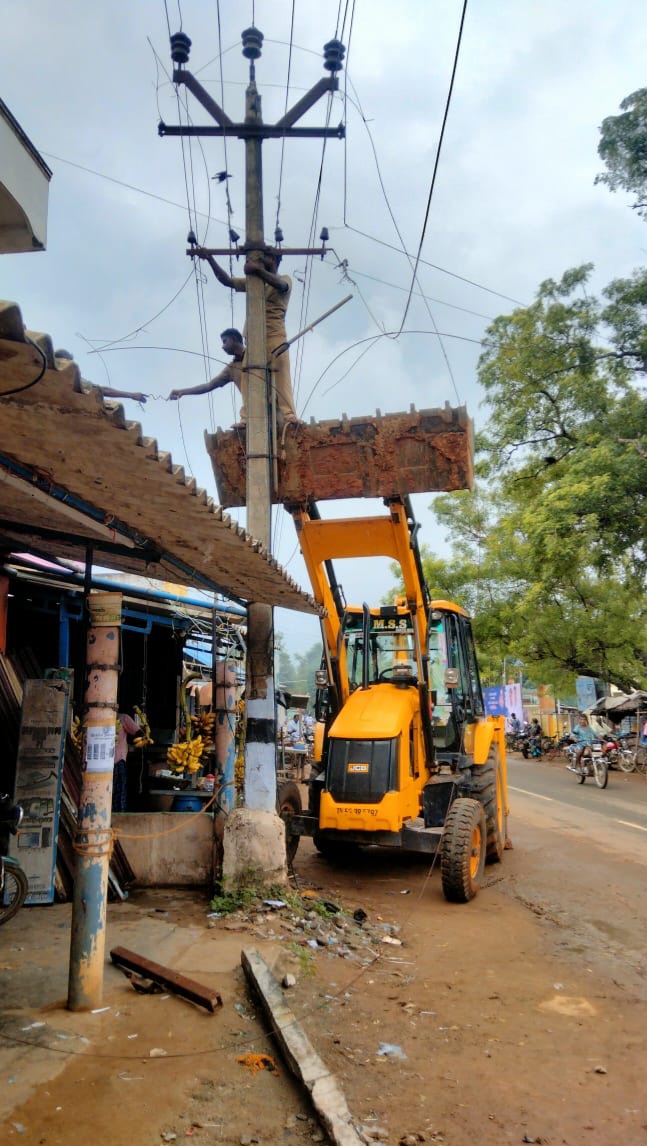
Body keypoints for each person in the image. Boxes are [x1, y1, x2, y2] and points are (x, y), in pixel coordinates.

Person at [198, 248, 299, 423]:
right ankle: (247, 419)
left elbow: (281, 286)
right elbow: (227, 281)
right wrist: (210, 259)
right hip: (253, 339)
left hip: (274, 336)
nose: (258, 260)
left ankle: (288, 415)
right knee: (248, 377)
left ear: (274, 260)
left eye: (263, 258)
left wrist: (256, 270)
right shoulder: (254, 283)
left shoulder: (283, 279)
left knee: (281, 374)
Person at [168, 329, 246, 416]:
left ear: (234, 338)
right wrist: (181, 392)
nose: (223, 346)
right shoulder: (232, 369)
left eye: (225, 341)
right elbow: (208, 386)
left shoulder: (255, 354)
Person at [112, 711, 142, 813]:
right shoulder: (101, 718)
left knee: (118, 793)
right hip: (106, 763)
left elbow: (139, 733)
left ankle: (118, 815)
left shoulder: (123, 718)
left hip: (118, 761)